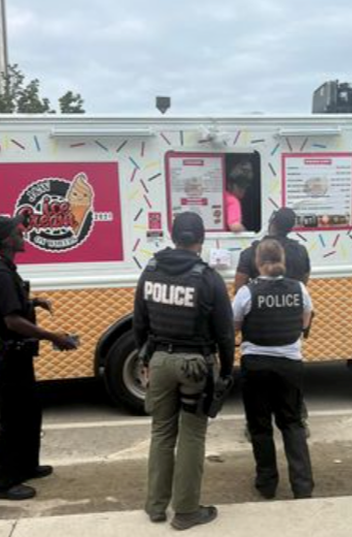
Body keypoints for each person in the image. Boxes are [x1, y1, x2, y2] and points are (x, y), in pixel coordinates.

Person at [134, 212, 235, 530]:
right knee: (192, 435)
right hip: (195, 365)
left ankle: (155, 506)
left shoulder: (149, 271)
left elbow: (139, 322)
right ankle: (187, 511)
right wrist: (227, 370)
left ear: (172, 235)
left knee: (161, 433)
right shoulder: (207, 277)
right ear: (201, 238)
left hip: (160, 360)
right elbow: (224, 333)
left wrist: (146, 358)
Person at [0, 214, 80, 501]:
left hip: (19, 357)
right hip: (11, 357)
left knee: (29, 413)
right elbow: (12, 321)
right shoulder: (0, 274)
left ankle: (25, 466)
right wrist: (53, 336)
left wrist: (34, 302)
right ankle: (1, 484)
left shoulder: (5, 270)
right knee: (12, 419)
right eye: (17, 231)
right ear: (5, 240)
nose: (22, 232)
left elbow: (11, 304)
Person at [233, 239, 315, 500]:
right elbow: (305, 320)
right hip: (290, 364)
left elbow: (233, 325)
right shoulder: (299, 288)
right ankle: (302, 486)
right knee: (292, 423)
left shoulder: (247, 292)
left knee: (260, 426)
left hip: (255, 365)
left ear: (257, 262)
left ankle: (267, 484)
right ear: (283, 260)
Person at [234, 207, 312, 438]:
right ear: (291, 227)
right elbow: (305, 282)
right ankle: (298, 419)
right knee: (290, 375)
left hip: (258, 328)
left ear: (271, 223)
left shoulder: (252, 252)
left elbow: (239, 286)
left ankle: (255, 425)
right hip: (289, 327)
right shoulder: (300, 251)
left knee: (259, 381)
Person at [224, 162, 254, 233]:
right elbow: (235, 226)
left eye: (245, 184)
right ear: (229, 185)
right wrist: (248, 235)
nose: (243, 188)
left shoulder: (220, 196)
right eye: (240, 184)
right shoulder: (233, 200)